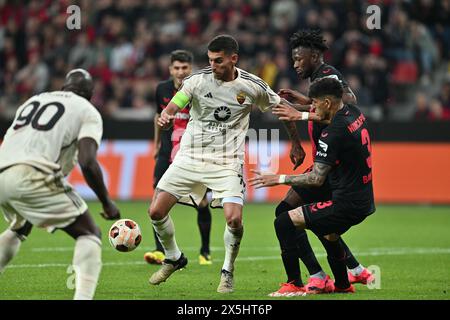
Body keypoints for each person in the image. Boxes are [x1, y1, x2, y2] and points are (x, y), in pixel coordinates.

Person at [148, 35, 303, 293]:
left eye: (218, 61)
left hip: (227, 161)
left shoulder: (252, 86)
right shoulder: (197, 80)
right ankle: (174, 257)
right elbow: (175, 104)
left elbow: (283, 108)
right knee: (155, 212)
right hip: (190, 156)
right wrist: (166, 116)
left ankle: (227, 270)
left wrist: (296, 143)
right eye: (210, 60)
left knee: (233, 220)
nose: (213, 66)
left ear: (234, 59)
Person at [266, 30, 374, 296]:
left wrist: (300, 112)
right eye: (293, 60)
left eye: (299, 59)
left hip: (330, 169)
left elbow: (345, 103)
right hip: (324, 163)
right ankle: (353, 271)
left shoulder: (327, 75)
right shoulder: (319, 78)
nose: (295, 64)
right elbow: (332, 107)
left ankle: (314, 277)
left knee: (290, 217)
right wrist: (304, 105)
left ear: (314, 56)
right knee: (316, 223)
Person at [0, 69, 120, 300]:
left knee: (20, 227)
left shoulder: (34, 100)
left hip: (2, 170)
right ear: (90, 94)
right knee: (89, 233)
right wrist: (107, 202)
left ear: (64, 87)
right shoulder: (87, 111)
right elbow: (88, 161)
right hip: (32, 173)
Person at [144, 50, 213, 266]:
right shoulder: (162, 89)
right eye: (177, 68)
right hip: (167, 149)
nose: (181, 72)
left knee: (201, 202)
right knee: (157, 197)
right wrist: (156, 144)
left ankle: (205, 251)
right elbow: (158, 116)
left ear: (190, 68)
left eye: (184, 68)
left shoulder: (200, 89)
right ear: (170, 69)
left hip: (194, 151)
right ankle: (159, 250)